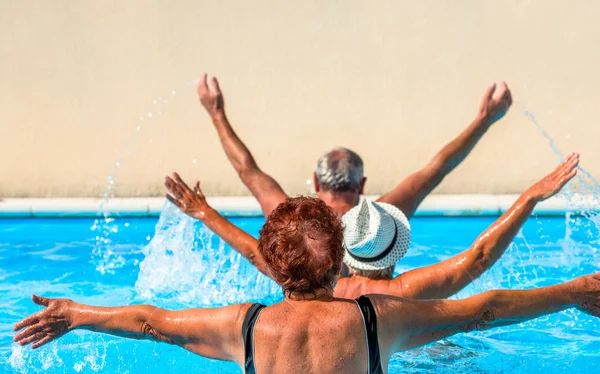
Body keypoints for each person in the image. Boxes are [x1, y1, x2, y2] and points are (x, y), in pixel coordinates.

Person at [14, 197, 600, 374]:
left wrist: (77, 311)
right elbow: (485, 308)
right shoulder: (377, 318)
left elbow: (149, 321)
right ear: (338, 259)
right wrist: (572, 291)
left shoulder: (245, 324)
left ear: (272, 264)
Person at [164, 153, 580, 300]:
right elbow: (479, 258)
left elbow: (256, 251)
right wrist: (529, 198)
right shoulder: (400, 294)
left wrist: (204, 212)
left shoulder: (309, 282)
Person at [196, 73, 512, 219]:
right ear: (361, 184)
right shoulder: (384, 218)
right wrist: (484, 120)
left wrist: (217, 114)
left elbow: (247, 170)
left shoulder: (291, 219)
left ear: (317, 181)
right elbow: (438, 168)